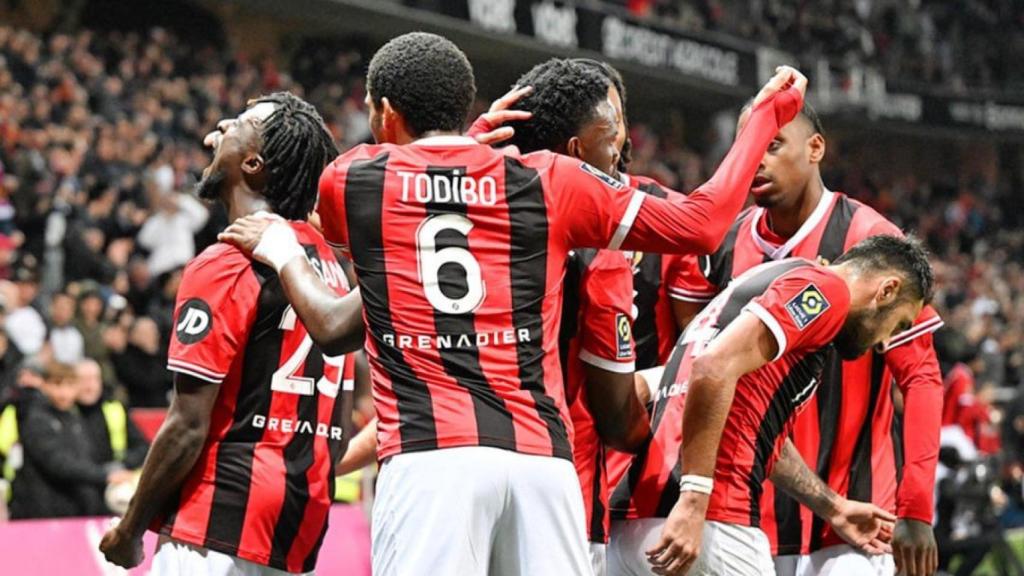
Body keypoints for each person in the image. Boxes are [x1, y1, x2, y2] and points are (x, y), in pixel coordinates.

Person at [220, 31, 806, 576]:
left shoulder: (354, 177)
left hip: (430, 459)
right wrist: (761, 119)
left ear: (383, 113)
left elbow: (393, 229)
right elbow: (704, 225)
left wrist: (462, 147)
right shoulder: (551, 178)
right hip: (542, 466)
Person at [668, 103, 943, 576]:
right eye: (748, 146)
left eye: (772, 146)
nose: (757, 160)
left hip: (852, 517)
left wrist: (916, 507)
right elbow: (691, 369)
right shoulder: (722, 241)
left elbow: (920, 377)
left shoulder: (870, 239)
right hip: (747, 511)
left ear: (816, 148)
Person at [98, 92, 361, 575]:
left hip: (217, 524)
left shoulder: (226, 262)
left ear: (254, 163)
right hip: (295, 525)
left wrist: (130, 528)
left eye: (238, 122)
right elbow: (341, 424)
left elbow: (187, 424)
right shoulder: (330, 270)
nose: (217, 127)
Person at [610, 234, 933, 576]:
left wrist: (832, 507)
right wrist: (694, 499)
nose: (884, 340)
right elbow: (711, 368)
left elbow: (752, 425)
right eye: (898, 324)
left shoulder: (764, 280)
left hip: (635, 523)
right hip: (710, 521)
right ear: (887, 290)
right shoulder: (827, 290)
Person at [9, 362, 134, 518]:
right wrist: (105, 475)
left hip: (72, 509)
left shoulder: (74, 418)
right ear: (45, 386)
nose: (64, 393)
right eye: (57, 385)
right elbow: (58, 463)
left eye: (70, 385)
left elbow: (83, 458)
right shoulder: (35, 419)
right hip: (40, 512)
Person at [75, 358, 149, 496]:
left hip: (115, 480)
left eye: (93, 379)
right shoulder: (65, 413)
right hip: (81, 483)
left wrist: (122, 465)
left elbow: (143, 447)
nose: (89, 386)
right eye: (83, 379)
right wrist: (102, 474)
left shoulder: (115, 409)